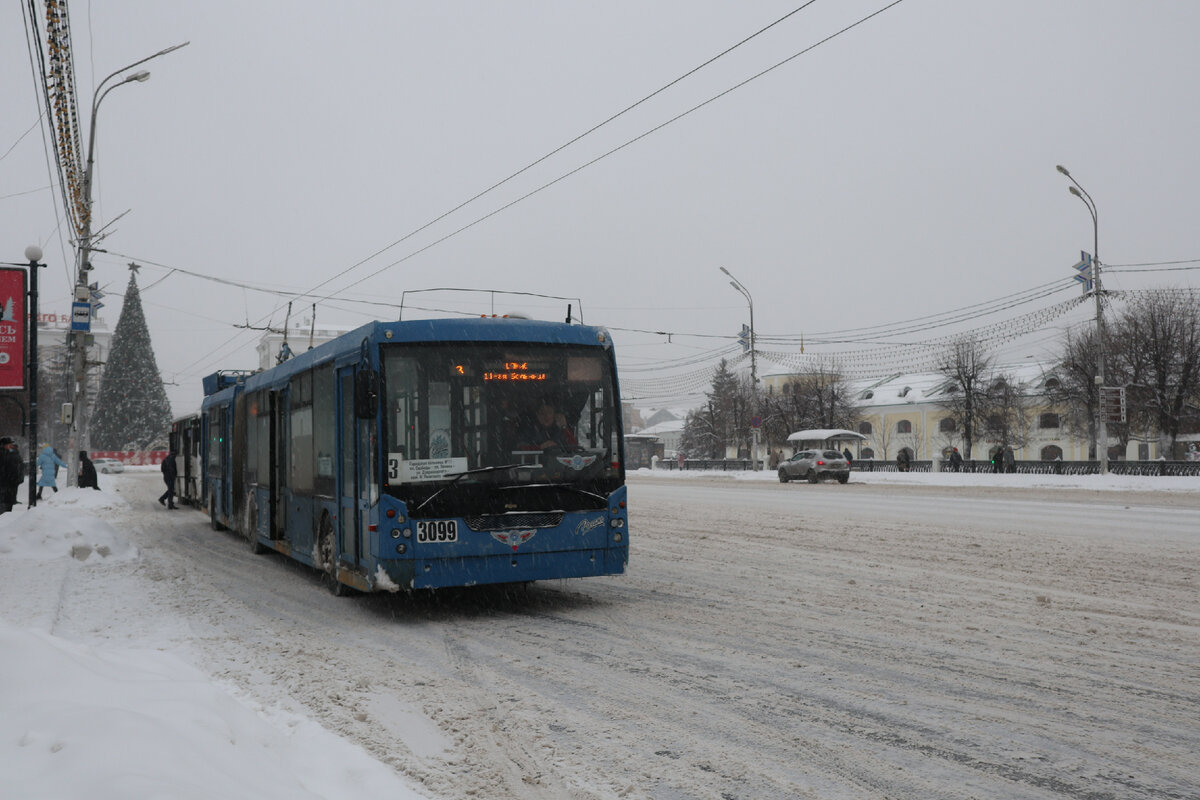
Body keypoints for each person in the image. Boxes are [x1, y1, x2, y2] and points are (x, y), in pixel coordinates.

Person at [0, 437, 23, 513]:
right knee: (4, 503)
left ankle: (6, 515)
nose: (11, 446)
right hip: (4, 482)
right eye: (9, 444)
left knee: (9, 502)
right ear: (3, 445)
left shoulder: (13, 453)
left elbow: (19, 465)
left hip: (12, 482)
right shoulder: (3, 454)